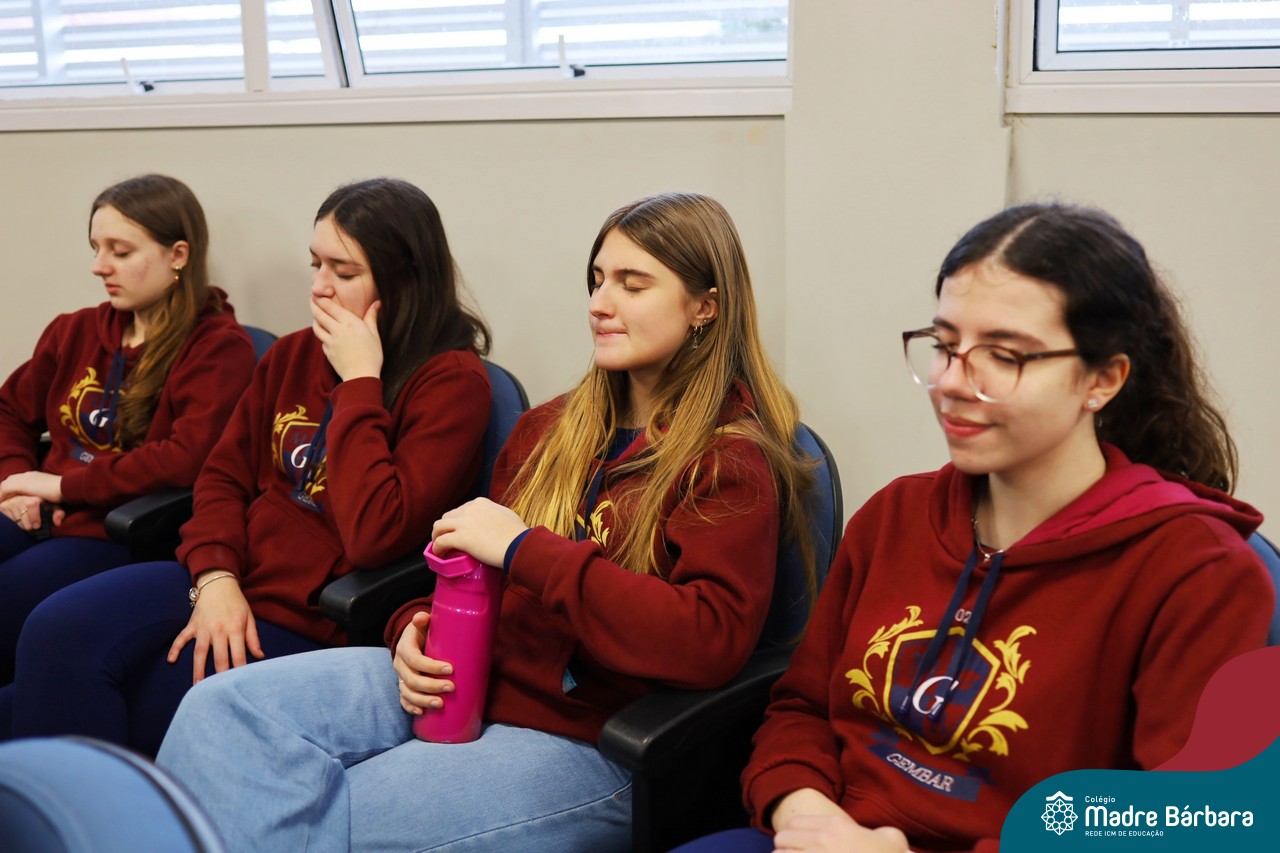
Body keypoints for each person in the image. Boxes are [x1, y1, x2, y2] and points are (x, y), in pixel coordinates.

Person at [154, 191, 814, 851]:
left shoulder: (730, 460)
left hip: (586, 733)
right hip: (466, 679)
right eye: (597, 279)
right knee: (218, 713)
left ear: (705, 306)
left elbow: (706, 640)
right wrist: (413, 627)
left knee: (334, 816)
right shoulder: (548, 429)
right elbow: (466, 574)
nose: (599, 303)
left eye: (632, 284)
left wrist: (527, 549)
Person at [671, 202, 1275, 853]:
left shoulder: (1198, 570)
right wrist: (803, 812)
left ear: (1103, 379)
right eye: (945, 346)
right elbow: (802, 709)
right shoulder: (895, 515)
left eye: (1004, 355)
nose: (952, 382)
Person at [0, 177, 492, 755]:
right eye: (316, 265)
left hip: (312, 617)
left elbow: (373, 536)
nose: (319, 288)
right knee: (55, 631)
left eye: (343, 271)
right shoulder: (294, 353)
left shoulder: (452, 384)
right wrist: (215, 576)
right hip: (227, 578)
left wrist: (360, 382)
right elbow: (221, 477)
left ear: (405, 279)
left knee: (129, 700)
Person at [0, 174, 256, 686]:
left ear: (178, 255)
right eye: (96, 249)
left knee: (12, 595)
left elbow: (185, 456)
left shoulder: (218, 348)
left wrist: (62, 485)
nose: (99, 266)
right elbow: (9, 410)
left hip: (119, 533)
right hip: (40, 512)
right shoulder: (74, 330)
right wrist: (17, 482)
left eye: (120, 251)